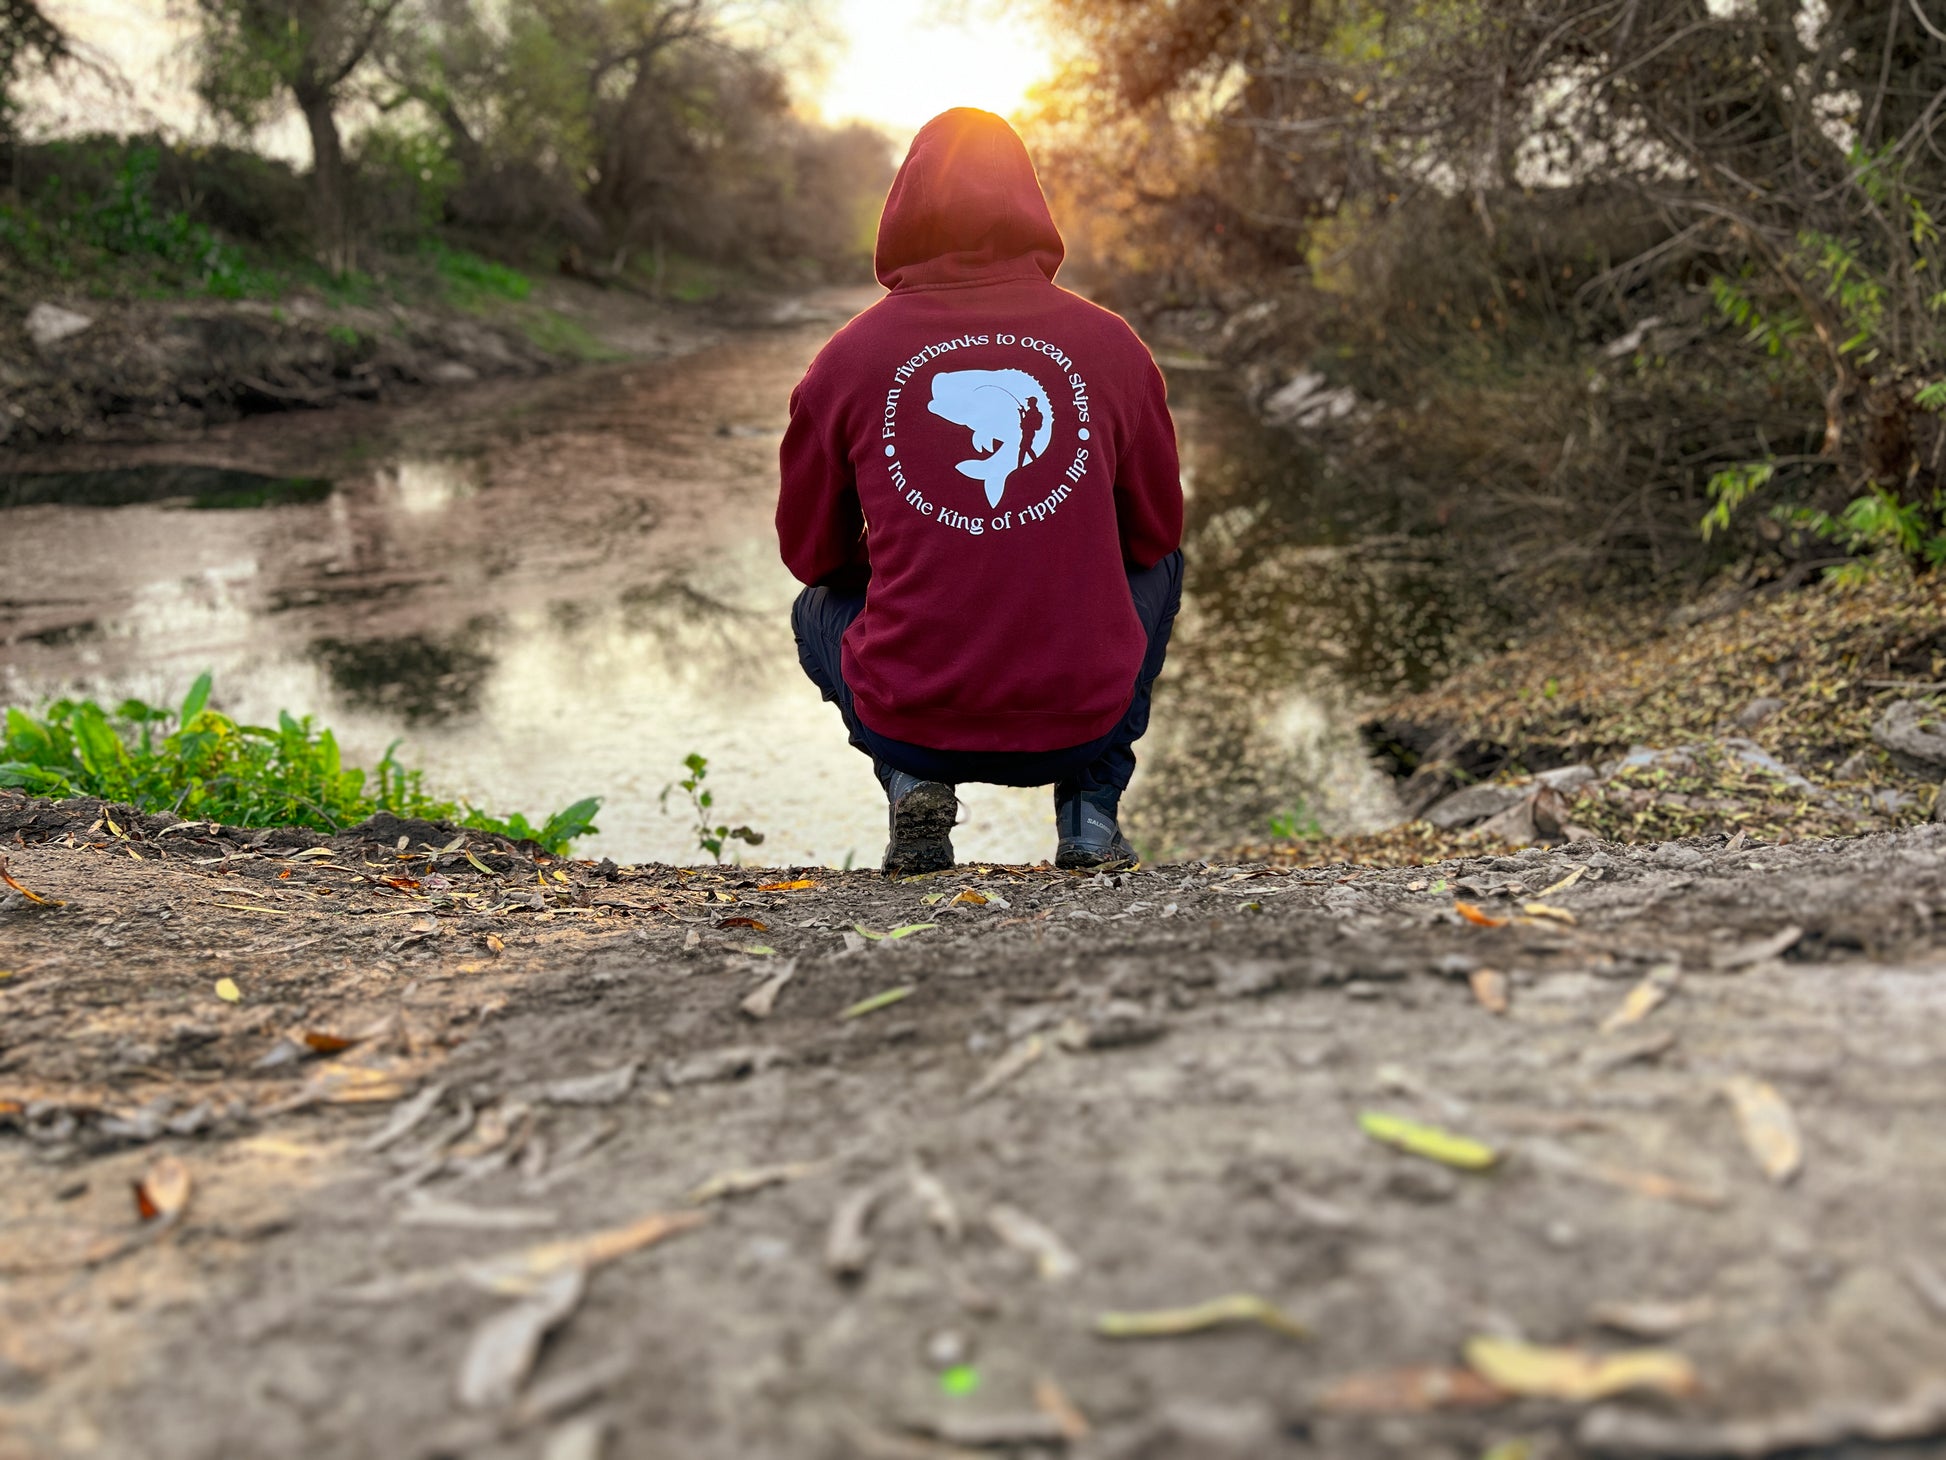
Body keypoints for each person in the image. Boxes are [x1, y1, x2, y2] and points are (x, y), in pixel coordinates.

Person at [778, 108, 1185, 875]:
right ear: (1031, 204)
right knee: (1164, 565)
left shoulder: (845, 358)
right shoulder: (1114, 345)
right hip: (1084, 720)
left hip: (911, 721)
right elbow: (1155, 533)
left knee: (814, 612)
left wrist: (912, 556)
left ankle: (911, 786)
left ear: (903, 211)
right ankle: (1091, 814)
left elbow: (811, 557)